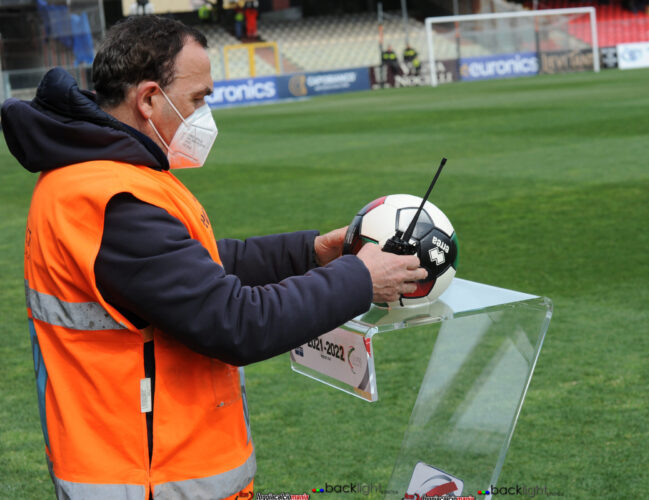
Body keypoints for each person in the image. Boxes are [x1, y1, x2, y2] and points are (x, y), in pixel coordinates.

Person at [1, 16, 426, 500]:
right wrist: (359, 278)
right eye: (198, 98)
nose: (206, 115)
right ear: (148, 99)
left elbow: (193, 265)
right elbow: (235, 322)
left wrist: (309, 253)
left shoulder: (102, 172)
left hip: (147, 467)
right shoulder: (114, 200)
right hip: (148, 478)